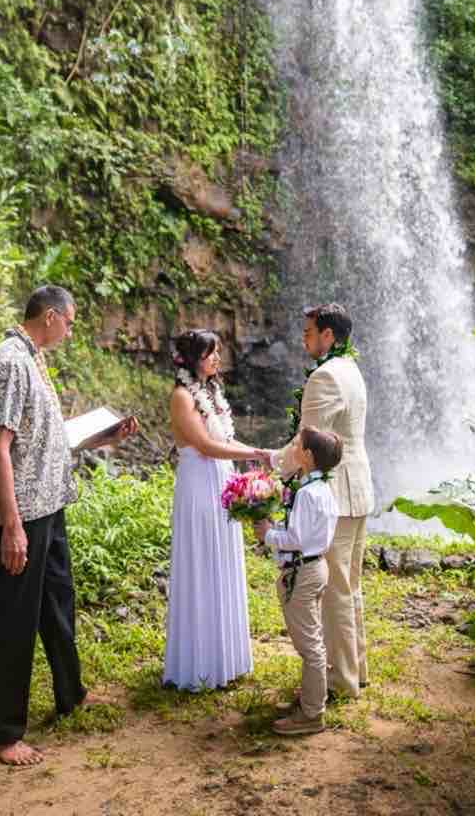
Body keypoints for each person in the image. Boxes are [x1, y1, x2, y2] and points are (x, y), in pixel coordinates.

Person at [0, 284, 137, 767]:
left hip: (48, 506)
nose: (70, 330)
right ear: (49, 316)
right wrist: (12, 524)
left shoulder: (33, 359)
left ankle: (71, 693)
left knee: (56, 604)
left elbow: (46, 440)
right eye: (68, 322)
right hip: (23, 514)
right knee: (13, 620)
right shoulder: (9, 361)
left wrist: (101, 438)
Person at [272, 302, 372, 701]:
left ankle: (342, 681)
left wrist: (268, 468)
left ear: (328, 335)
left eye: (309, 332)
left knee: (334, 592)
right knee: (350, 587)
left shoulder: (325, 376)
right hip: (358, 488)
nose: (304, 339)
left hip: (337, 494)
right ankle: (355, 670)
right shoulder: (351, 369)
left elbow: (306, 442)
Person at [162, 329, 270, 691]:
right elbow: (206, 446)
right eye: (211, 353)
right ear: (193, 359)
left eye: (218, 352)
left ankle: (227, 657)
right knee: (202, 562)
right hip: (198, 482)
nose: (217, 359)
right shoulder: (182, 397)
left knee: (222, 560)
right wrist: (254, 455)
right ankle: (199, 664)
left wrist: (256, 452)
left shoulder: (211, 393)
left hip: (221, 479)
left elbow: (224, 440)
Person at [254, 426, 344, 736]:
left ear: (306, 456)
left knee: (310, 646)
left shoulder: (307, 494)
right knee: (312, 639)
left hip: (303, 573)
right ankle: (310, 699)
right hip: (315, 569)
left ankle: (312, 714)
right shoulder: (321, 489)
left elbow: (297, 538)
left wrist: (268, 534)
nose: (292, 448)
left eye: (297, 444)